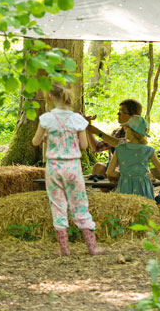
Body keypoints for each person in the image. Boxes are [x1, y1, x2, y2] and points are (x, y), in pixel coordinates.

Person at [32, 82, 104, 257]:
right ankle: (92, 247)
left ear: (50, 97)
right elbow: (84, 145)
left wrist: (47, 140)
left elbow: (35, 141)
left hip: (54, 166)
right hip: (73, 166)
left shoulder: (46, 119)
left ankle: (64, 249)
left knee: (57, 204)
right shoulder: (77, 119)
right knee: (80, 203)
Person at [106, 115, 160, 200]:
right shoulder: (148, 150)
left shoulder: (119, 149)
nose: (125, 130)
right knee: (144, 209)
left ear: (130, 131)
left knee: (127, 209)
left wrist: (125, 175)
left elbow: (109, 172)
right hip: (143, 187)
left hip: (125, 186)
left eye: (126, 129)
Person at [86, 99, 142, 177]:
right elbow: (96, 147)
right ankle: (107, 189)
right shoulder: (117, 132)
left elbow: (122, 144)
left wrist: (97, 132)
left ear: (133, 116)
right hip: (113, 171)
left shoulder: (139, 133)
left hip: (131, 171)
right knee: (98, 167)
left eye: (122, 112)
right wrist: (88, 128)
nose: (118, 114)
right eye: (118, 111)